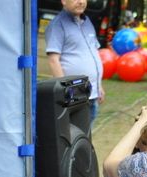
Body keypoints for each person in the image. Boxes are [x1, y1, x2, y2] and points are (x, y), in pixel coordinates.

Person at [45, 0, 105, 130]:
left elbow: (94, 52)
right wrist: (65, 92)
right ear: (63, 1)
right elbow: (53, 60)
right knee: (75, 136)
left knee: (86, 136)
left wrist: (99, 86)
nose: (81, 2)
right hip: (75, 96)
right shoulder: (57, 25)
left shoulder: (87, 22)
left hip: (92, 94)